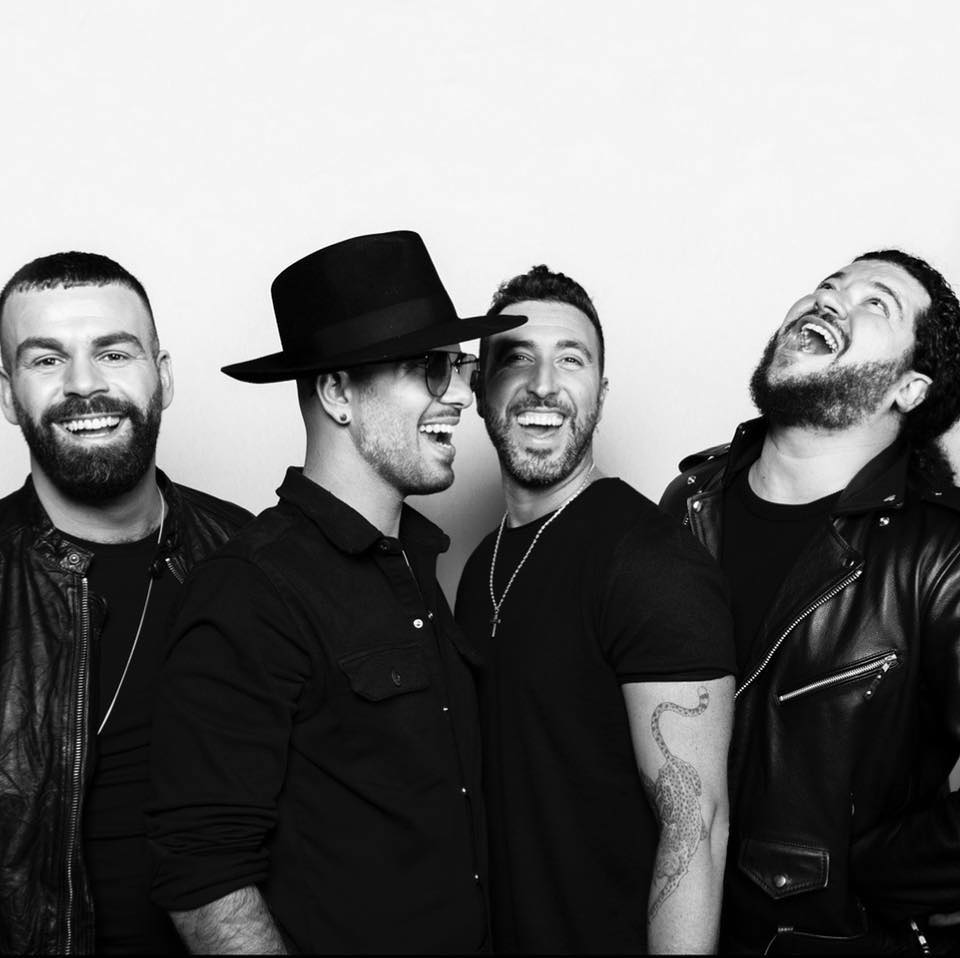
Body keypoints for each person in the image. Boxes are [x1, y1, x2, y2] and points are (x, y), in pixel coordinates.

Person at [146, 230, 526, 954]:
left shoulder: (417, 565)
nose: (458, 396)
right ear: (337, 393)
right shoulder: (251, 591)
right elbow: (202, 875)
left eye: (456, 367)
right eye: (427, 368)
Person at [660, 249, 960, 954]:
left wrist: (872, 875)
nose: (829, 299)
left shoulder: (940, 554)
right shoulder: (689, 501)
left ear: (909, 389)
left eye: (875, 302)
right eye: (829, 285)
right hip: (663, 923)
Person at [455, 265, 736, 954]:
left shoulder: (652, 563)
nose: (543, 384)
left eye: (571, 360)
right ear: (479, 388)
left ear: (601, 393)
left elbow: (695, 827)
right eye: (516, 359)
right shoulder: (479, 564)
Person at [0, 251, 251, 956]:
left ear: (162, 377)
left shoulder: (251, 554)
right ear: (7, 395)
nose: (84, 384)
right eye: (46, 360)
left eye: (113, 353)